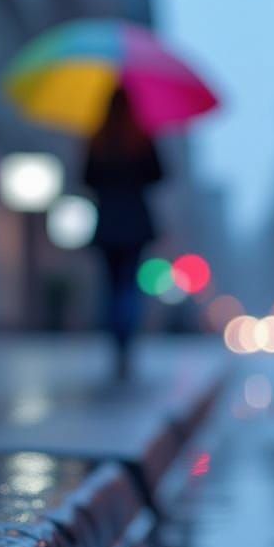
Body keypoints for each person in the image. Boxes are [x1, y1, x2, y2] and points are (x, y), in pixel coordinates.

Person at [84, 88, 164, 375]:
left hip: (107, 220)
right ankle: (126, 340)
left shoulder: (98, 137)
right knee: (129, 283)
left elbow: (87, 177)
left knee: (111, 283)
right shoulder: (141, 136)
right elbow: (159, 174)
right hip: (135, 221)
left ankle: (116, 341)